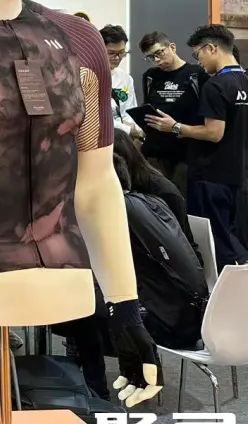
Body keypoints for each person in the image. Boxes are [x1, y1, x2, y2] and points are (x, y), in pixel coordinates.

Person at [146, 24, 248, 269]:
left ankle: (223, 290)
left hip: (211, 174)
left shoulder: (215, 85)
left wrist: (175, 127)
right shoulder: (244, 81)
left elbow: (214, 133)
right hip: (238, 174)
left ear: (211, 48)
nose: (198, 61)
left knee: (217, 244)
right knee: (235, 237)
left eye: (198, 54)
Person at [113, 131, 208, 350]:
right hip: (150, 280)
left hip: (172, 292)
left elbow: (184, 253)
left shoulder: (160, 194)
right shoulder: (135, 195)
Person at [138, 30, 205, 195]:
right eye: (151, 57)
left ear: (172, 47)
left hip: (186, 153)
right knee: (155, 200)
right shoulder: (150, 77)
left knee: (181, 200)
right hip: (155, 152)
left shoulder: (196, 74)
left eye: (159, 53)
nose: (157, 60)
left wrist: (176, 126)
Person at [100, 24, 141, 137]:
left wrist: (137, 130)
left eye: (122, 52)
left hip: (123, 139)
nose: (117, 58)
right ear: (99, 50)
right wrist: (128, 130)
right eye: (111, 53)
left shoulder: (126, 78)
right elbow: (95, 117)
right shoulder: (86, 77)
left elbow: (129, 112)